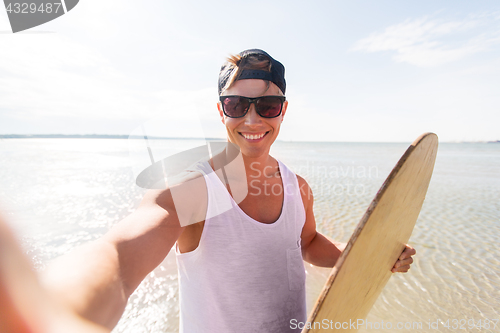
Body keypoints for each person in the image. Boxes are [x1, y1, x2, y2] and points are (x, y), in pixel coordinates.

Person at [0, 49, 415, 333]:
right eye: (237, 105)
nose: (252, 118)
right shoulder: (193, 188)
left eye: (267, 106)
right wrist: (51, 309)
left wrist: (369, 258)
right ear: (221, 111)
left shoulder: (296, 186)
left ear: (283, 111)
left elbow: (306, 242)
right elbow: (119, 257)